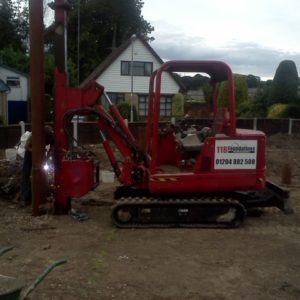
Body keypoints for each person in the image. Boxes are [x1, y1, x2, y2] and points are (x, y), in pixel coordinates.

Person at [20, 126, 54, 207]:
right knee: (25, 174)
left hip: (40, 153)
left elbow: (52, 148)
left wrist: (48, 156)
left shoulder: (51, 136)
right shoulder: (34, 135)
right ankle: (25, 198)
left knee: (42, 171)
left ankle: (42, 193)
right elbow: (26, 146)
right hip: (29, 152)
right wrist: (36, 151)